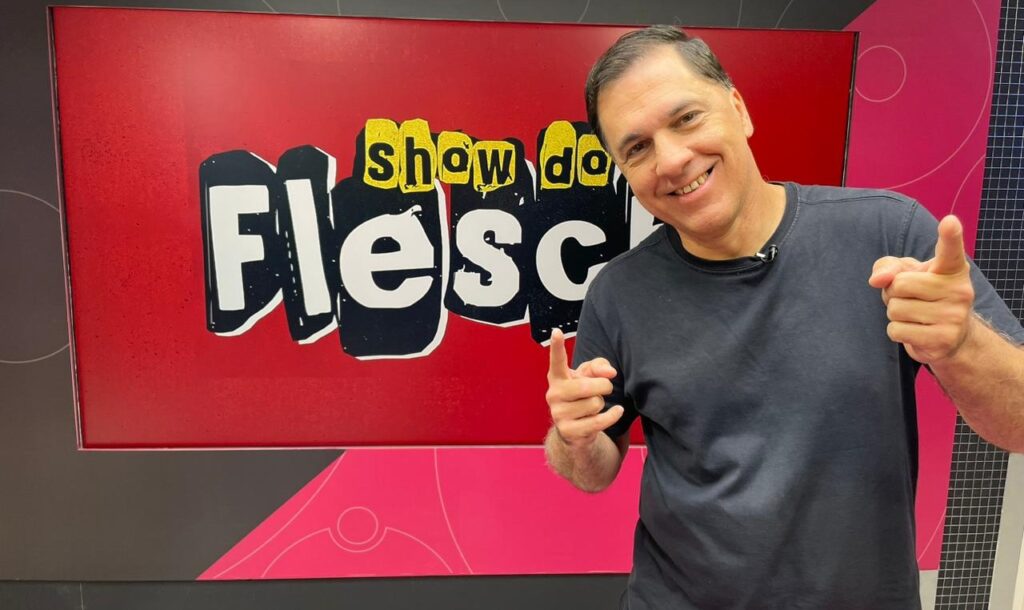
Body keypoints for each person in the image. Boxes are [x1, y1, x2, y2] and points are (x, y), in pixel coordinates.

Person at [543, 25, 1024, 610]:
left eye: (687, 118)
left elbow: (1018, 423)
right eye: (637, 148)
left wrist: (961, 341)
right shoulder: (619, 292)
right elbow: (593, 471)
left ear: (739, 109)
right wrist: (573, 438)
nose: (671, 159)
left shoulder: (888, 235)